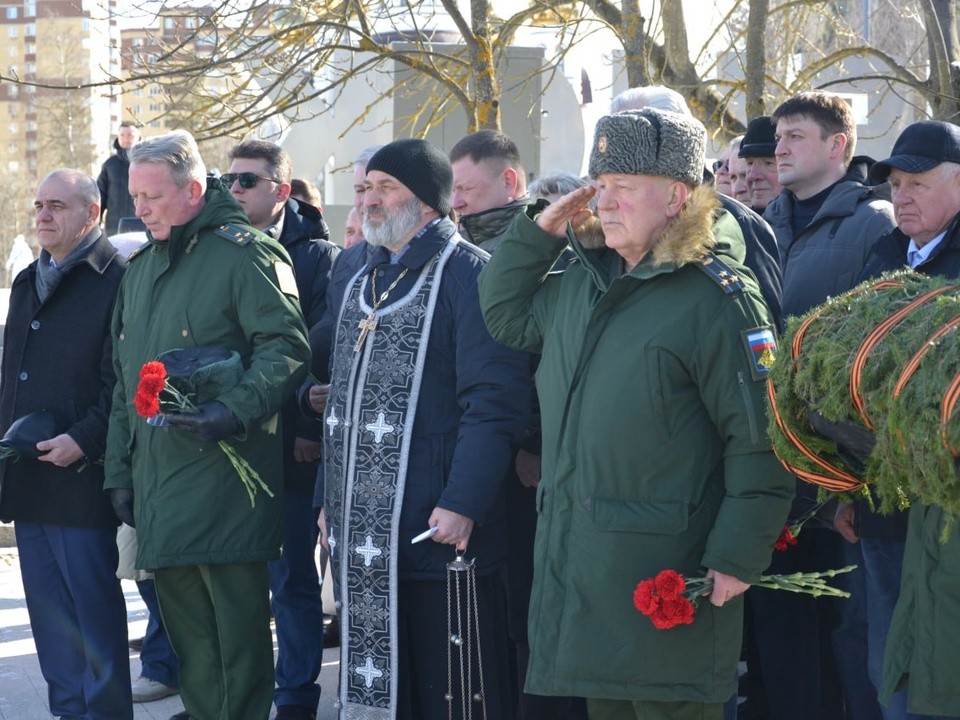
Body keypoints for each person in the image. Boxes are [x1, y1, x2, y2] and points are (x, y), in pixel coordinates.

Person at [477, 107, 794, 720]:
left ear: (677, 197)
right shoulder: (581, 279)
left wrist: (735, 557)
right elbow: (504, 313)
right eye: (600, 186)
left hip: (669, 573)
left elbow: (761, 437)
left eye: (624, 187)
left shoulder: (715, 298)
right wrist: (538, 232)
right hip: (589, 570)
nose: (606, 201)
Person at [315, 138, 530, 719]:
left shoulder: (469, 275)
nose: (370, 203)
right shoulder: (361, 275)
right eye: (366, 190)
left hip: (437, 532)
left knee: (450, 693)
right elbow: (342, 404)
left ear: (429, 205)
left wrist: (464, 501)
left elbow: (495, 403)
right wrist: (327, 499)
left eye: (387, 190)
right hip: (363, 538)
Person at [103, 130, 311, 720]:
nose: (138, 208)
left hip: (228, 481)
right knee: (193, 648)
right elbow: (126, 384)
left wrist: (232, 409)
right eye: (135, 196)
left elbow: (287, 350)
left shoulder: (247, 254)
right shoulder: (140, 272)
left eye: (151, 196)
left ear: (193, 190)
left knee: (239, 649)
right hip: (161, 485)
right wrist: (119, 472)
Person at [755, 90, 896, 720]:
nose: (779, 147)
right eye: (778, 136)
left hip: (840, 469)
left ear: (839, 146)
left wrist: (849, 479)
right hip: (768, 463)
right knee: (779, 627)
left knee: (849, 631)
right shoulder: (759, 221)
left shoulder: (874, 223)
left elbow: (878, 359)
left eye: (795, 136)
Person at [450, 131, 587, 720]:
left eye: (466, 188)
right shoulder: (458, 252)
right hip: (489, 465)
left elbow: (541, 360)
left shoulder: (550, 251)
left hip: (535, 471)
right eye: (451, 188)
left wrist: (535, 445)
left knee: (538, 617)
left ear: (509, 182)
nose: (455, 202)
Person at [0, 169, 131, 719]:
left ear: (92, 214)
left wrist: (84, 440)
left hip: (82, 480)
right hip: (30, 479)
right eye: (38, 205)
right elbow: (11, 378)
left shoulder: (119, 279)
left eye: (57, 205)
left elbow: (124, 383)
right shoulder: (29, 279)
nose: (43, 214)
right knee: (51, 620)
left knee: (93, 618)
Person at [225, 139, 339, 720]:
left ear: (281, 190)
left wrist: (307, 426)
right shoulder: (217, 248)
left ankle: (295, 698)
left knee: (293, 582)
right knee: (236, 585)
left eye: (246, 180)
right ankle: (236, 696)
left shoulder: (320, 257)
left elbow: (319, 349)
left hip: (294, 444)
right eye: (229, 180)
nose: (234, 189)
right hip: (230, 444)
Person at [855, 120, 960, 720]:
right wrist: (847, 490)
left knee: (941, 674)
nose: (901, 196)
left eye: (917, 182)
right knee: (886, 668)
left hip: (946, 511)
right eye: (895, 184)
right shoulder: (884, 254)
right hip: (883, 505)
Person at [610, 85, 783, 330]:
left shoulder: (738, 222)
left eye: (632, 137)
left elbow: (764, 329)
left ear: (676, 139)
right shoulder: (603, 222)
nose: (617, 154)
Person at [97, 121, 140, 236]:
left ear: (138, 137)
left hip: (141, 227)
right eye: (122, 135)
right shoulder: (110, 165)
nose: (126, 138)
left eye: (130, 135)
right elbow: (99, 198)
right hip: (114, 228)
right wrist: (94, 226)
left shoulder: (146, 164)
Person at [740, 116, 783, 213]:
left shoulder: (817, 223)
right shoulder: (736, 225)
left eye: (768, 163)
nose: (753, 176)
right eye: (749, 163)